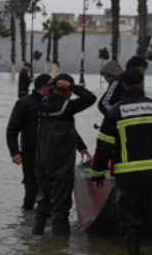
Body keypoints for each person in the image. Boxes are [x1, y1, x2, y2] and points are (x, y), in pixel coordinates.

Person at [92, 68, 152, 255]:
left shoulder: (114, 111)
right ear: (142, 83)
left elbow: (103, 147)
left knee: (130, 225)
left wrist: (97, 174)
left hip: (127, 179)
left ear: (123, 85)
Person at [6, 74, 90, 210]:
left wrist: (81, 147)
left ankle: (46, 217)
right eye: (52, 86)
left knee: (52, 189)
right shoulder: (24, 103)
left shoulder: (54, 104)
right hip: (30, 153)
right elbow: (12, 129)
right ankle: (27, 216)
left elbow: (66, 128)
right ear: (45, 86)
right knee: (32, 188)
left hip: (52, 154)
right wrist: (14, 152)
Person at [32, 74, 97, 236]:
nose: (71, 94)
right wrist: (72, 86)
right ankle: (60, 245)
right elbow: (90, 98)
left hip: (41, 163)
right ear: (65, 89)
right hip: (61, 165)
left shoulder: (43, 104)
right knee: (60, 209)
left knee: (42, 204)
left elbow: (65, 127)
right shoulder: (66, 107)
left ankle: (35, 241)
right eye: (70, 90)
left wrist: (81, 147)